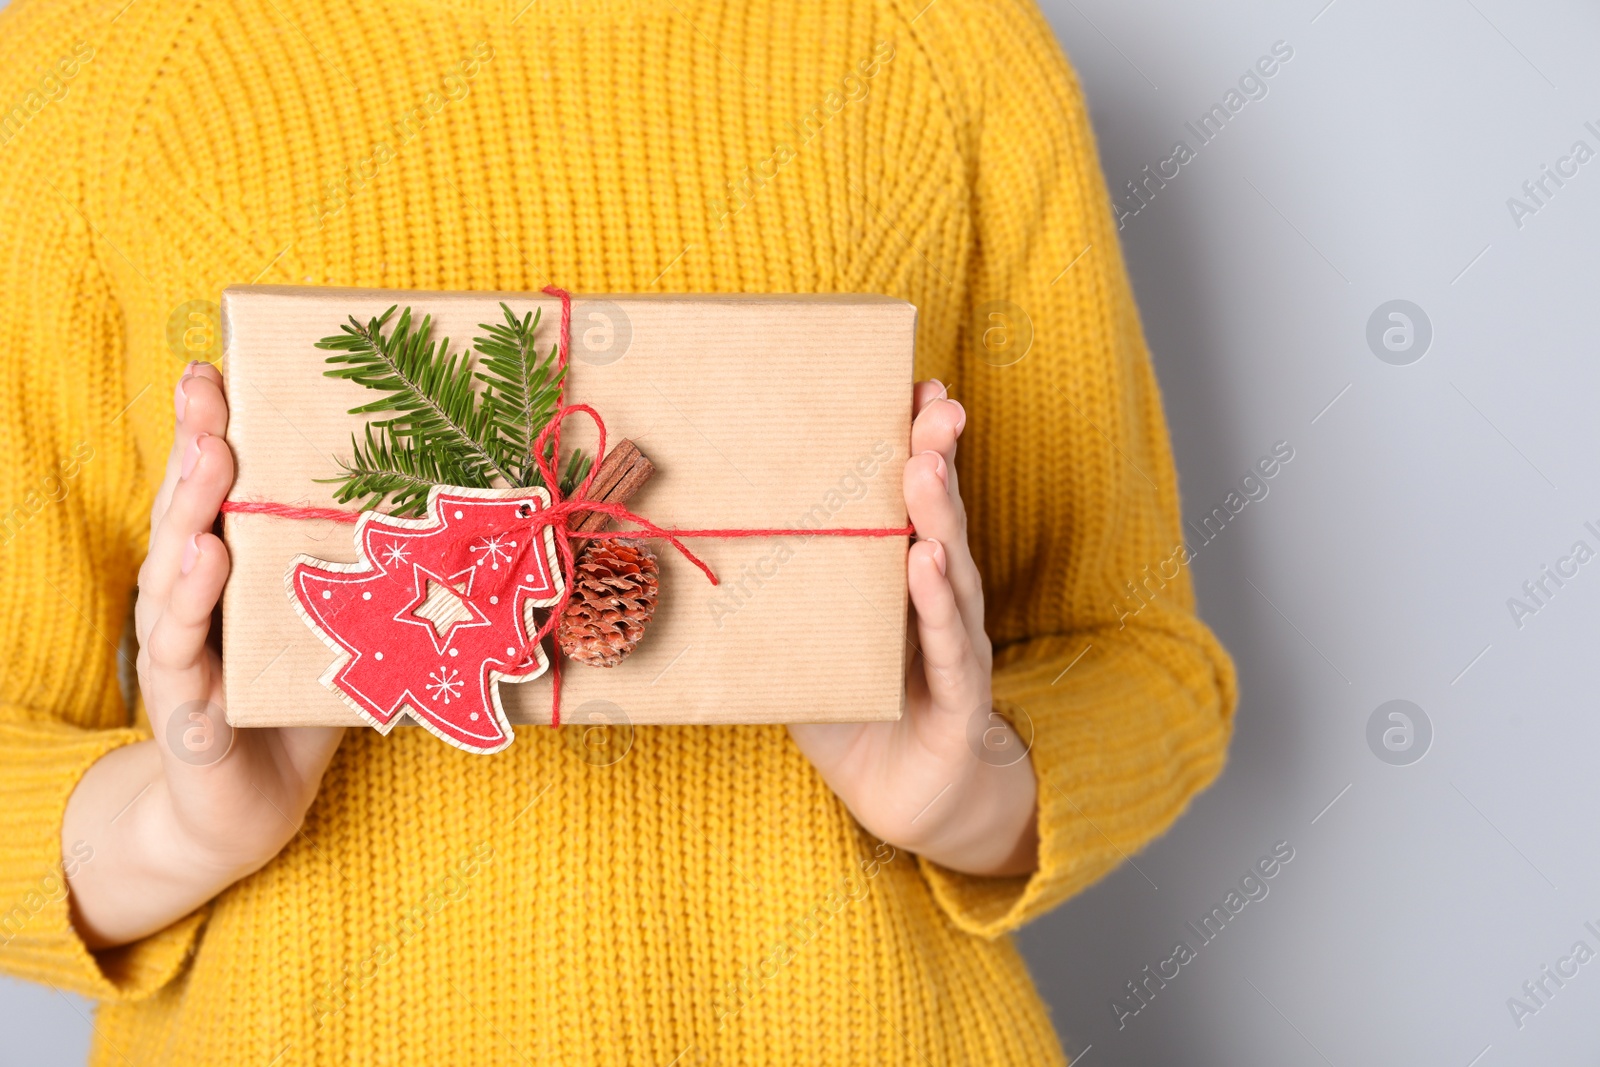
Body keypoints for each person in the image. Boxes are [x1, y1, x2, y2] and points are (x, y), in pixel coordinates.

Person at [0, 0, 1236, 1061]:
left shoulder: (939, 48)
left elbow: (1139, 657)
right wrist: (180, 820)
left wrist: (963, 786)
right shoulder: (109, 60)